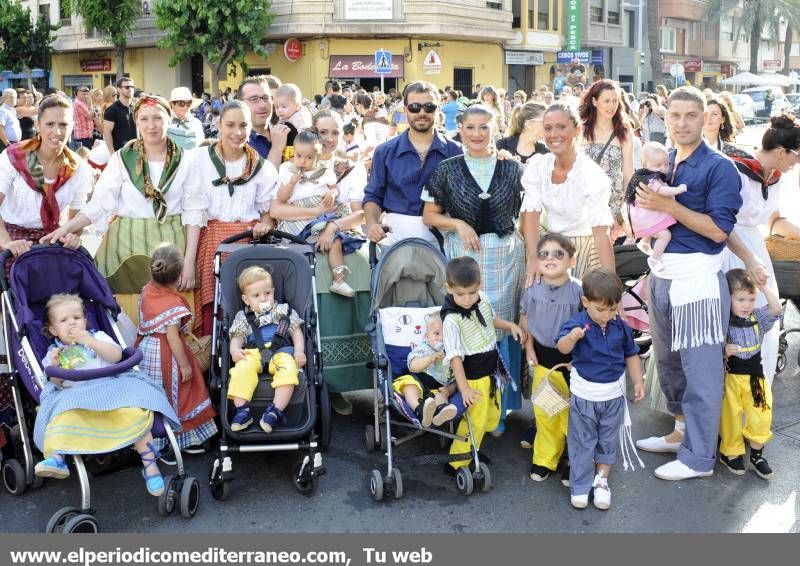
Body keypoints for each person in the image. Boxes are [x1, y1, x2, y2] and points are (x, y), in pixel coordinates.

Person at [634, 86, 742, 481]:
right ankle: (680, 433)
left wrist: (669, 206)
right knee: (669, 364)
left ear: (704, 117)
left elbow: (718, 231)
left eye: (690, 116)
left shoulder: (719, 167)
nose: (681, 123)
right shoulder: (668, 159)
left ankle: (699, 457)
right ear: (666, 116)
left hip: (697, 281)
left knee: (701, 372)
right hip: (663, 276)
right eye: (674, 116)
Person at [42, 95, 204, 326]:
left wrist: (189, 263)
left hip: (172, 245)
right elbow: (100, 204)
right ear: (136, 121)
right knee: (129, 319)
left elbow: (194, 211)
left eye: (158, 118)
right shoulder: (122, 158)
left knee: (172, 318)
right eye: (144, 118)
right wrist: (67, 227)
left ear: (169, 120)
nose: (151, 125)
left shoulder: (187, 159)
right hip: (126, 248)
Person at [422, 104, 526, 436]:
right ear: (460, 129)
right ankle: (469, 400)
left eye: (484, 127)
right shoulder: (447, 169)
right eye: (470, 127)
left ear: (495, 129)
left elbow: (528, 213)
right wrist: (457, 223)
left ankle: (499, 409)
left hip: (504, 262)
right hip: (464, 259)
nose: (477, 134)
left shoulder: (514, 169)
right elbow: (429, 216)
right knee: (466, 329)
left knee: (498, 330)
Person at [33, 294, 179, 497]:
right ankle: (57, 458)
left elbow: (117, 356)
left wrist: (90, 341)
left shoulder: (98, 337)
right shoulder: (54, 353)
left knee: (135, 412)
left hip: (110, 391)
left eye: (76, 317)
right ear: (52, 329)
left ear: (85, 320)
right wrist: (55, 368)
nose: (72, 323)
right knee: (60, 416)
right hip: (77, 401)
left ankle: (150, 465)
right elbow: (54, 384)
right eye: (63, 320)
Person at [721, 115, 800, 386]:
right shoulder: (734, 168)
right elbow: (723, 222)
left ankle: (756, 391)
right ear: (781, 152)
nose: (796, 164)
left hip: (755, 249)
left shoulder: (776, 177)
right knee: (731, 319)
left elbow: (774, 220)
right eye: (796, 157)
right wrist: (749, 259)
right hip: (727, 249)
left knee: (764, 318)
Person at [556, 268, 644, 510]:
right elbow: (562, 348)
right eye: (601, 309)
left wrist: (638, 381)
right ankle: (581, 485)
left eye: (613, 309)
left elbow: (631, 354)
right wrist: (572, 338)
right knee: (582, 441)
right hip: (585, 395)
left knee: (607, 440)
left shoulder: (620, 326)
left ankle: (602, 481)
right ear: (585, 302)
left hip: (613, 395)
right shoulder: (577, 323)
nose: (607, 315)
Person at [188, 100, 278, 335]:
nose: (237, 133)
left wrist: (264, 225)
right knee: (212, 308)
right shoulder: (198, 159)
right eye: (230, 125)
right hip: (210, 243)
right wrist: (189, 261)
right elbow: (192, 210)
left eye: (243, 125)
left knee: (244, 304)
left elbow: (269, 216)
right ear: (219, 125)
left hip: (245, 242)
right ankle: (214, 363)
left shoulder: (262, 167)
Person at [440, 257, 524, 474]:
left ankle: (473, 448)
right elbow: (455, 358)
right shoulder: (451, 320)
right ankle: (456, 461)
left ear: (480, 285)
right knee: (475, 420)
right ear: (448, 287)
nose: (467, 299)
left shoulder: (483, 299)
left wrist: (510, 325)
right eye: (460, 294)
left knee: (491, 416)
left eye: (472, 292)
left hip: (492, 369)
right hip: (473, 376)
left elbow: (491, 319)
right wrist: (464, 388)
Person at [521, 103, 615, 282]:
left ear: (577, 130)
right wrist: (534, 258)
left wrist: (612, 286)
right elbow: (531, 215)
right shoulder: (539, 166)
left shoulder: (591, 173)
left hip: (582, 251)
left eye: (561, 127)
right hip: (544, 247)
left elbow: (601, 233)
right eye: (548, 128)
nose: (553, 134)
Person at [137, 245, 217, 453]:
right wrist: (185, 365)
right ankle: (181, 439)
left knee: (156, 395)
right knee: (180, 395)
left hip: (147, 350)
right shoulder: (172, 303)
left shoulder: (147, 290)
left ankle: (153, 440)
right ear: (180, 275)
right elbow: (173, 338)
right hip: (167, 356)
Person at [363, 81, 462, 247]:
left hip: (443, 243)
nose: (422, 112)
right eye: (415, 107)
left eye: (429, 107)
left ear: (438, 109)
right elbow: (373, 195)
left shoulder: (456, 151)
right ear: (405, 109)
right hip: (394, 241)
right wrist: (372, 224)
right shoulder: (384, 152)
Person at [519, 234, 582, 484]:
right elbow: (526, 319)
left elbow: (587, 327)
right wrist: (528, 348)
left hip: (571, 365)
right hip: (543, 362)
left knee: (572, 417)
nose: (550, 259)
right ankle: (545, 458)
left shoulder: (579, 291)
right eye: (543, 254)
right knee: (546, 413)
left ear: (572, 261)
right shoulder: (533, 288)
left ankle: (575, 461)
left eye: (558, 254)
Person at [270, 130, 361, 297]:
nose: (303, 161)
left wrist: (332, 194)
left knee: (336, 240)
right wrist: (291, 183)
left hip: (322, 211)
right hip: (297, 214)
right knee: (299, 245)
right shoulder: (286, 170)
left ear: (318, 157)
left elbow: (334, 189)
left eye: (309, 157)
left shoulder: (325, 172)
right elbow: (281, 198)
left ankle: (339, 280)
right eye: (298, 155)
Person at [0, 95, 91, 257]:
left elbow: (75, 221)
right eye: (50, 124)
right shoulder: (14, 157)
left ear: (72, 127)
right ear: (37, 125)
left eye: (63, 124)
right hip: (12, 239)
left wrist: (72, 237)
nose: (57, 131)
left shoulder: (78, 167)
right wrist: (7, 243)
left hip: (54, 240)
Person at [719, 269, 781, 479]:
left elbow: (776, 309)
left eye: (751, 299)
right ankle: (731, 452)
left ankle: (757, 453)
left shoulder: (758, 319)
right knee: (731, 417)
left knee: (761, 414)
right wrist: (724, 350)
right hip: (731, 378)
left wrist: (763, 287)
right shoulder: (723, 321)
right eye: (741, 299)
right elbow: (711, 348)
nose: (746, 305)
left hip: (755, 378)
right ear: (728, 299)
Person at [228, 267, 305, 433]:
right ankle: (242, 411)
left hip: (282, 351)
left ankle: (274, 412)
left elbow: (296, 332)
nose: (264, 298)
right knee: (241, 369)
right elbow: (238, 337)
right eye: (256, 295)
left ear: (273, 292)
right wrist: (235, 350)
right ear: (246, 299)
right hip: (253, 352)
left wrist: (299, 351)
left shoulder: (282, 311)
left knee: (289, 370)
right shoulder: (243, 317)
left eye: (268, 293)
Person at [579, 79, 634, 233]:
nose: (612, 106)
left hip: (612, 206)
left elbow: (628, 175)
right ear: (594, 101)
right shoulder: (581, 130)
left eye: (615, 101)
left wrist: (622, 213)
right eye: (607, 101)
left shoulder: (624, 132)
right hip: (584, 203)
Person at [624, 142, 688, 273]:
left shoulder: (646, 175)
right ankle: (654, 259)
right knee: (665, 235)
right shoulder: (650, 179)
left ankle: (645, 242)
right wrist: (678, 189)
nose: (663, 169)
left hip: (644, 217)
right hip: (642, 218)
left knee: (656, 226)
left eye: (666, 164)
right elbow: (663, 191)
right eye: (658, 165)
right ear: (644, 165)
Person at [392, 314, 458, 427]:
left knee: (442, 396)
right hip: (418, 380)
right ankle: (420, 410)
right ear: (427, 336)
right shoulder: (424, 348)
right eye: (436, 333)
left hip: (437, 389)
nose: (441, 338)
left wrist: (449, 390)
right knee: (409, 387)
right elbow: (412, 366)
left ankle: (440, 412)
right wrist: (430, 359)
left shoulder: (452, 354)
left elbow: (455, 380)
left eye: (446, 334)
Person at [238, 77, 290, 169]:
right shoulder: (239, 143)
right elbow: (265, 182)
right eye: (254, 99)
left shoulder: (286, 131)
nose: (263, 105)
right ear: (241, 104)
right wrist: (276, 149)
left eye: (266, 98)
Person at [103, 78, 137, 153]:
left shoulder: (136, 107)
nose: (130, 89)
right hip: (120, 152)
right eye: (127, 87)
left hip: (136, 150)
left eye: (132, 87)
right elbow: (107, 132)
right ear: (119, 89)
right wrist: (112, 153)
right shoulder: (112, 110)